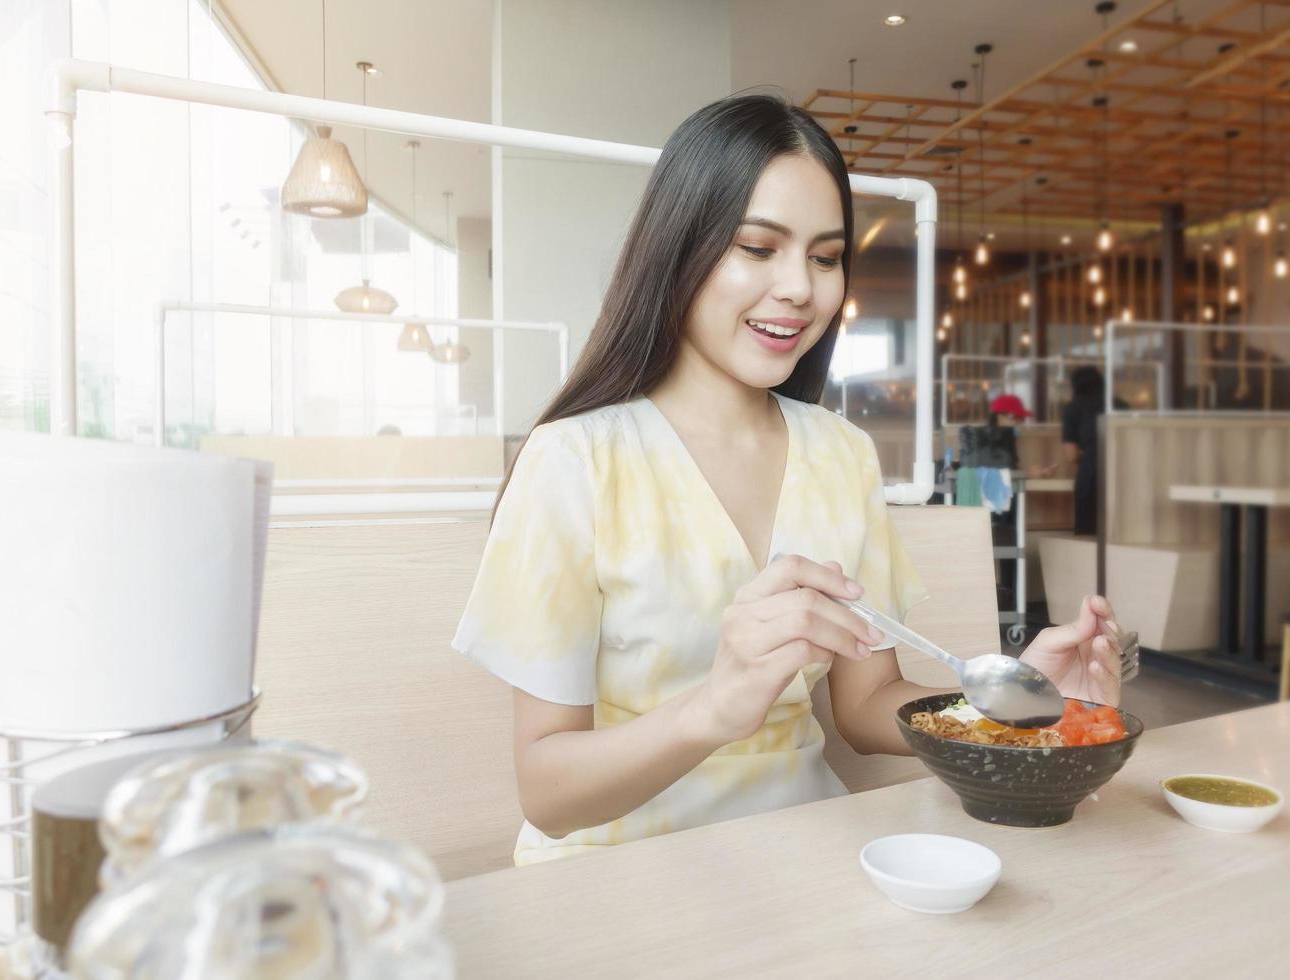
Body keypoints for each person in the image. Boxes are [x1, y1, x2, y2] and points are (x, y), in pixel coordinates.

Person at [453, 95, 1125, 866]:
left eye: (825, 256)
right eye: (757, 246)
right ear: (679, 248)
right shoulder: (573, 460)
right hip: (618, 873)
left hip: (804, 851)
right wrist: (713, 708)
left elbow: (868, 704)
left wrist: (1006, 709)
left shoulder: (840, 453)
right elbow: (548, 792)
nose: (800, 289)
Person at [1060, 366, 1113, 536]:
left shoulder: (1073, 408)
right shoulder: (1118, 405)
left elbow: (1072, 455)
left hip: (1092, 473)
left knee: (1088, 533)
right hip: (1123, 473)